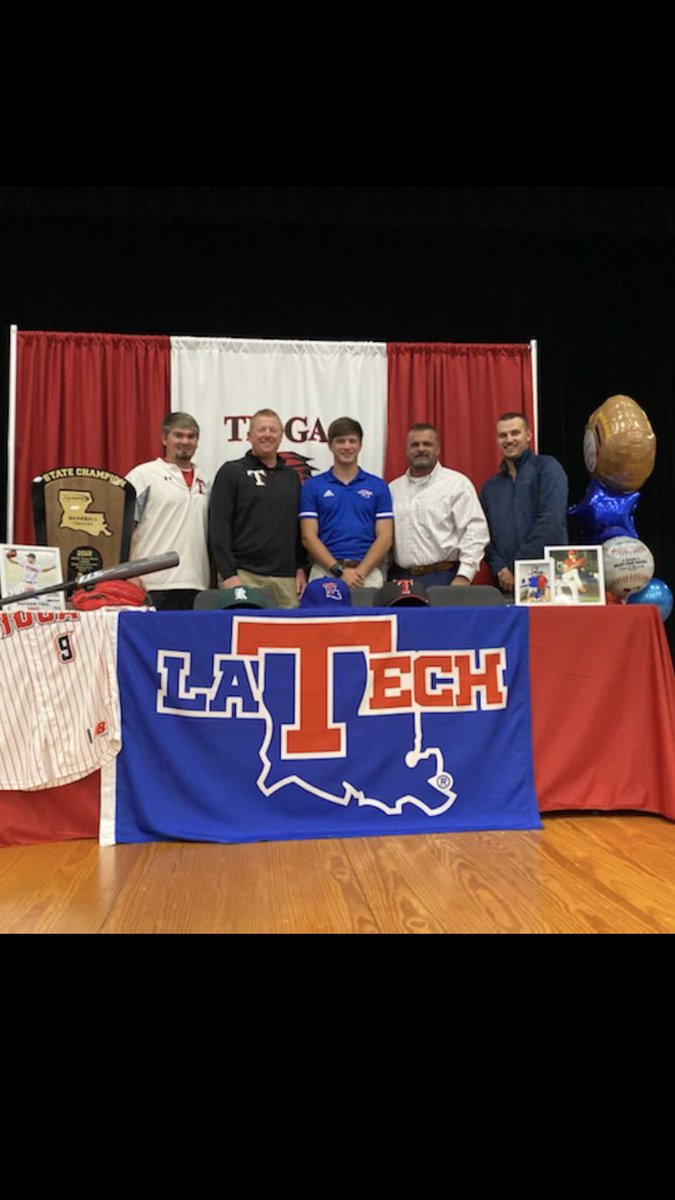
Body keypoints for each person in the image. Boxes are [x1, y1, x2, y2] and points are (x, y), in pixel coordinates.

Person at [209, 408, 306, 608]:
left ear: (281, 436)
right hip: (244, 576)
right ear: (249, 436)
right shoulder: (231, 472)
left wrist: (299, 568)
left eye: (273, 430)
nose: (267, 435)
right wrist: (229, 575)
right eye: (261, 430)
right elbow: (219, 527)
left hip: (286, 579)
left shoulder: (291, 477)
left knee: (287, 629)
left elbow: (296, 527)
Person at [126, 412, 211, 610]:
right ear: (164, 439)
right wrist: (130, 573)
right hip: (153, 583)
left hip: (197, 584)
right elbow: (124, 530)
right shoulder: (143, 475)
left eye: (191, 436)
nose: (185, 441)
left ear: (197, 442)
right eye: (178, 435)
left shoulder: (205, 480)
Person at [388, 423, 489, 588]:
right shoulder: (393, 489)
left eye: (427, 444)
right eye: (415, 445)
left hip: (444, 578)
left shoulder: (457, 484)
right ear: (406, 450)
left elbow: (475, 531)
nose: (421, 449)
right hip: (401, 579)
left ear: (438, 449)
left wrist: (464, 575)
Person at [299, 417, 393, 589]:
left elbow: (385, 537)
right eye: (340, 441)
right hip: (325, 571)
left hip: (367, 574)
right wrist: (339, 571)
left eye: (352, 441)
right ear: (330, 445)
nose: (347, 446)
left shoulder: (378, 486)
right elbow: (308, 536)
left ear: (360, 445)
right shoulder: (312, 486)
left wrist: (360, 573)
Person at [480, 412, 569, 594]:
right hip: (505, 584)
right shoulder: (490, 487)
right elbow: (482, 534)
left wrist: (516, 567)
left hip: (549, 579)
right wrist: (501, 569)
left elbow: (550, 521)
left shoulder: (548, 468)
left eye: (515, 433)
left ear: (528, 435)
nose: (509, 439)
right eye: (503, 435)